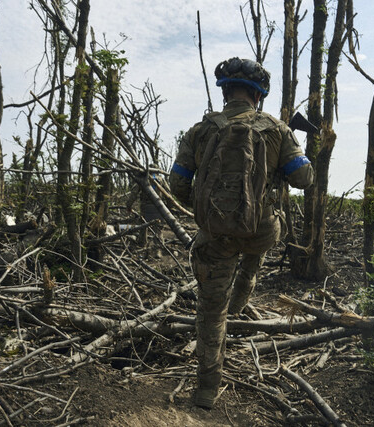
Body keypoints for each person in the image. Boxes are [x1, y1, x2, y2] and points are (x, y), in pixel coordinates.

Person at [169, 57, 314, 409]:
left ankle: (206, 389)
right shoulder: (278, 129)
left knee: (210, 309)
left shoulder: (200, 131)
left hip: (216, 235)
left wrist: (207, 212)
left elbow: (177, 183)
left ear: (225, 92)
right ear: (258, 96)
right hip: (262, 230)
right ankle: (245, 288)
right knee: (258, 240)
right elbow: (303, 179)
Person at [126, 164, 170, 259]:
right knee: (157, 229)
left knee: (143, 226)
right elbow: (168, 193)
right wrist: (169, 208)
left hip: (145, 207)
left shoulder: (143, 178)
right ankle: (157, 250)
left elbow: (134, 193)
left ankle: (142, 245)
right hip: (159, 207)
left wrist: (128, 205)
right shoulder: (161, 179)